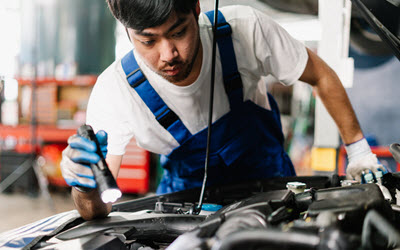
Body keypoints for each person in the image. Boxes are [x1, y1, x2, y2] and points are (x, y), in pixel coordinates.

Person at [60, 0, 383, 220]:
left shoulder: (244, 30)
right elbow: (95, 211)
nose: (168, 54)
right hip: (183, 205)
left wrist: (358, 151)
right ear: (127, 31)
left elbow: (321, 75)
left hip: (272, 187)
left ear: (196, 8)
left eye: (178, 32)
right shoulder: (115, 91)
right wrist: (84, 187)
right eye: (148, 41)